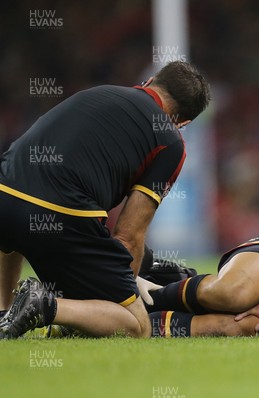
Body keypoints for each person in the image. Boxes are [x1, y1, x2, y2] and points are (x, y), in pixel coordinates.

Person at [0, 61, 211, 339]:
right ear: (183, 122)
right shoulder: (171, 143)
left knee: (11, 230)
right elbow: (129, 235)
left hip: (5, 191)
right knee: (136, 326)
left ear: (149, 81)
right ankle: (46, 306)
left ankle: (4, 312)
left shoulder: (97, 93)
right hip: (61, 214)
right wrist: (122, 288)